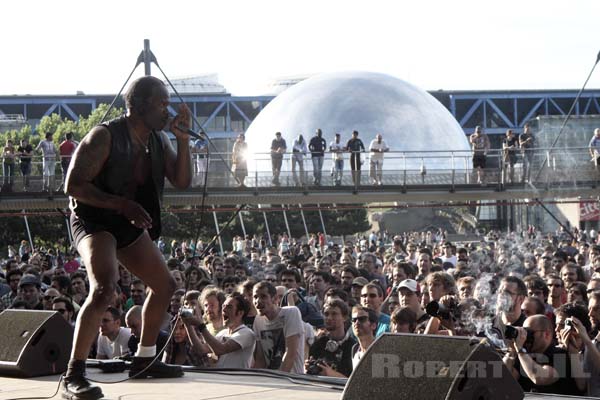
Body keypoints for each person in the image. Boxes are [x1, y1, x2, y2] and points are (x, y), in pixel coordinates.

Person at [62, 75, 192, 400]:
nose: (167, 110)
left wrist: (183, 140)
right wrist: (121, 204)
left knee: (165, 286)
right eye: (162, 104)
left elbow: (182, 181)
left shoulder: (158, 140)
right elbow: (74, 186)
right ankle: (73, 375)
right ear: (140, 105)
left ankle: (145, 359)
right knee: (105, 287)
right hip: (94, 220)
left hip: (127, 219)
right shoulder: (104, 136)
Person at [185, 292, 256, 368]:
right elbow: (201, 349)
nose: (224, 310)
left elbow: (220, 350)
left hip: (236, 379)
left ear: (240, 313)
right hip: (220, 379)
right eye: (223, 306)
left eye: (229, 307)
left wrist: (201, 326)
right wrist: (188, 325)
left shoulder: (247, 333)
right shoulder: (223, 333)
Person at [252, 281, 305, 373]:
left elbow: (290, 353)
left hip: (293, 379)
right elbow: (260, 358)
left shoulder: (291, 313)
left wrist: (279, 378)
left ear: (275, 299)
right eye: (255, 297)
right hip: (270, 380)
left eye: (263, 296)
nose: (258, 301)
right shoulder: (258, 320)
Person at [306, 299, 355, 377]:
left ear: (345, 317)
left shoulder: (353, 347)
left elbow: (355, 382)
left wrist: (332, 374)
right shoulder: (318, 344)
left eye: (334, 314)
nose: (329, 317)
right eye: (326, 314)